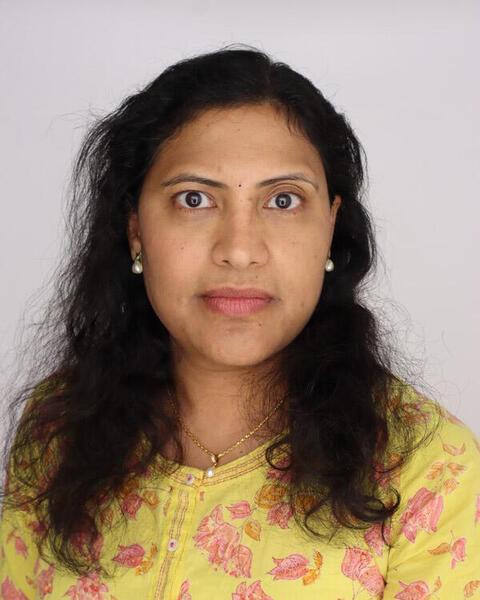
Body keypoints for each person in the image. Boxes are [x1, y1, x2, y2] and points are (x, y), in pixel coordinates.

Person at [1, 44, 479, 600]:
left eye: (283, 201)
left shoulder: (429, 470)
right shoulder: (60, 426)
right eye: (194, 199)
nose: (239, 250)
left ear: (330, 227)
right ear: (135, 230)